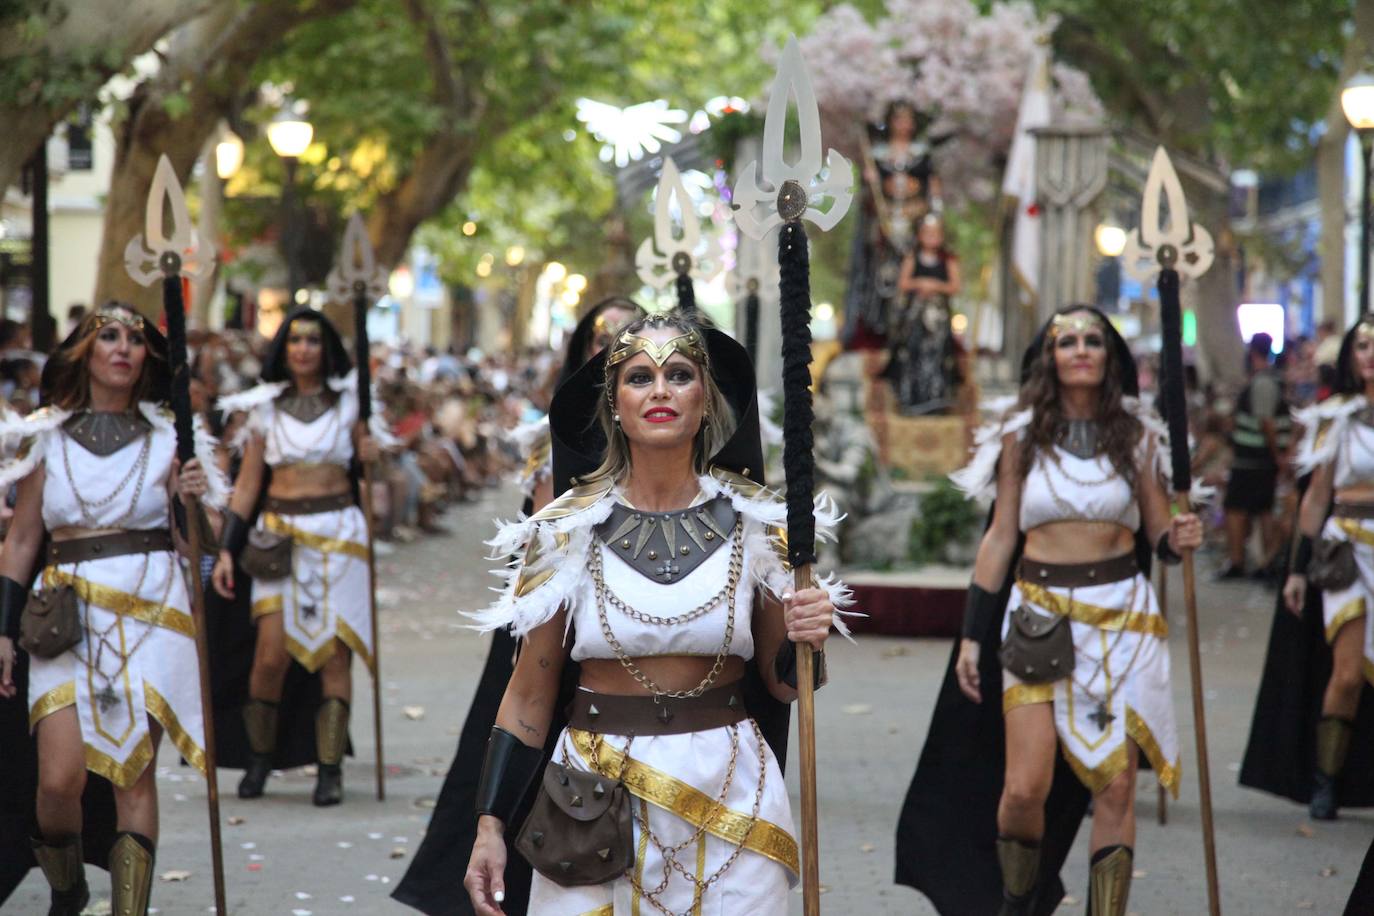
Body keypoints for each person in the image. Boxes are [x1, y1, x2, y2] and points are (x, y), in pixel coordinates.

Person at [462, 312, 850, 915]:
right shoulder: (565, 529)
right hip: (590, 804)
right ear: (614, 403)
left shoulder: (762, 524)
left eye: (679, 374)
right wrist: (490, 827)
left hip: (733, 791)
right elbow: (528, 698)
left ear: (705, 401)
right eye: (640, 377)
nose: (661, 390)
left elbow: (786, 684)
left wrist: (810, 638)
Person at [895, 306, 1201, 916]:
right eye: (1068, 341)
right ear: (1050, 357)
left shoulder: (1140, 437)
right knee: (1023, 790)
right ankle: (1017, 903)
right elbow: (1000, 538)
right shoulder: (1021, 434)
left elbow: (1160, 532)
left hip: (1124, 624)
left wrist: (1179, 539)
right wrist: (972, 638)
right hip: (1037, 620)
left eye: (1093, 340)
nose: (1081, 350)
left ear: (1110, 356)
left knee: (1115, 787)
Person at [393, 295, 644, 916]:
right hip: (557, 613)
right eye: (601, 335)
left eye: (628, 334)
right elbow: (536, 534)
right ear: (583, 348)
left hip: (646, 639)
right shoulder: (551, 433)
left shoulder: (673, 426)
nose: (612, 345)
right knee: (526, 735)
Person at [0, 302, 227, 916]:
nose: (123, 348)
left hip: (153, 608)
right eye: (109, 337)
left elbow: (194, 546)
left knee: (134, 774)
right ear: (85, 352)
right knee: (58, 782)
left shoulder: (173, 438)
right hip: (63, 616)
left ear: (149, 356)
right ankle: (67, 887)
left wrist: (193, 499)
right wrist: (1, 629)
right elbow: (21, 540)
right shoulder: (45, 437)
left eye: (134, 339)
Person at [210, 307, 384, 806]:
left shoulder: (352, 403)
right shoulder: (264, 408)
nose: (303, 348)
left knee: (335, 654)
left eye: (312, 340)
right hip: (278, 536)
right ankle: (259, 759)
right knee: (269, 658)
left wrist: (374, 456)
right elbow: (247, 486)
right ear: (283, 349)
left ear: (325, 348)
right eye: (294, 340)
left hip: (339, 534)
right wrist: (227, 548)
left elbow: (371, 479)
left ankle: (329, 770)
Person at [1244, 315, 1374, 821]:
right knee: (1345, 674)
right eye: (1361, 345)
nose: (1369, 354)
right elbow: (1315, 498)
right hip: (1347, 552)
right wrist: (1296, 569)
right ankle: (1327, 780)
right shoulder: (1333, 416)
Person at [1219, 333, 1292, 580]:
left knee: (1237, 508)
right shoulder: (1269, 380)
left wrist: (1277, 456)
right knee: (1263, 510)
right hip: (1259, 459)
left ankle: (1241, 562)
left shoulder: (1263, 382)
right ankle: (1264, 562)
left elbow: (1266, 421)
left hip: (1255, 460)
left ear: (1252, 352)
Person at [886, 215, 963, 414]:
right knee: (913, 353)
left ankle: (937, 398)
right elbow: (903, 283)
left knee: (938, 355)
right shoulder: (913, 256)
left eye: (935, 234)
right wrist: (921, 283)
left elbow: (955, 286)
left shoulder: (948, 259)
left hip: (938, 318)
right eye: (927, 234)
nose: (931, 238)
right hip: (916, 316)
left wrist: (935, 286)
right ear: (920, 236)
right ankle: (913, 398)